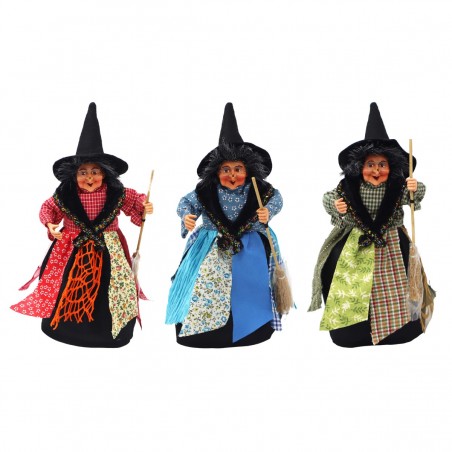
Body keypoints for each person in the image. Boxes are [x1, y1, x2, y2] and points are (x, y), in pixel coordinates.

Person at [11, 103, 153, 348]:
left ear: (105, 174)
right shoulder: (65, 195)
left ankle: (108, 331)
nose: (89, 178)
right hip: (71, 246)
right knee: (64, 281)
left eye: (95, 171)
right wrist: (50, 224)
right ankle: (64, 325)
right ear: (74, 175)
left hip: (108, 247)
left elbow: (136, 201)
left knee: (113, 285)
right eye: (83, 172)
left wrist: (144, 206)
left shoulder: (116, 193)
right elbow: (48, 208)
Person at [310, 102, 435, 347]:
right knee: (349, 283)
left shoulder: (397, 187)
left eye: (382, 165)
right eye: (370, 164)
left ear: (391, 167)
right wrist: (337, 205)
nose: (376, 170)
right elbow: (328, 197)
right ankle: (351, 330)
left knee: (398, 283)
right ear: (359, 167)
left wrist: (415, 187)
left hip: (392, 241)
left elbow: (415, 195)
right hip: (355, 242)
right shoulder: (348, 188)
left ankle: (401, 325)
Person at [166, 103, 288, 348]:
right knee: (203, 280)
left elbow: (277, 199)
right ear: (216, 172)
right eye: (226, 169)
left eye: (238, 169)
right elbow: (186, 202)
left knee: (251, 285)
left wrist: (268, 212)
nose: (232, 175)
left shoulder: (260, 190)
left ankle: (254, 326)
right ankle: (202, 328)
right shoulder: (205, 191)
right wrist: (187, 216)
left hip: (251, 242)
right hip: (212, 243)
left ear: (248, 170)